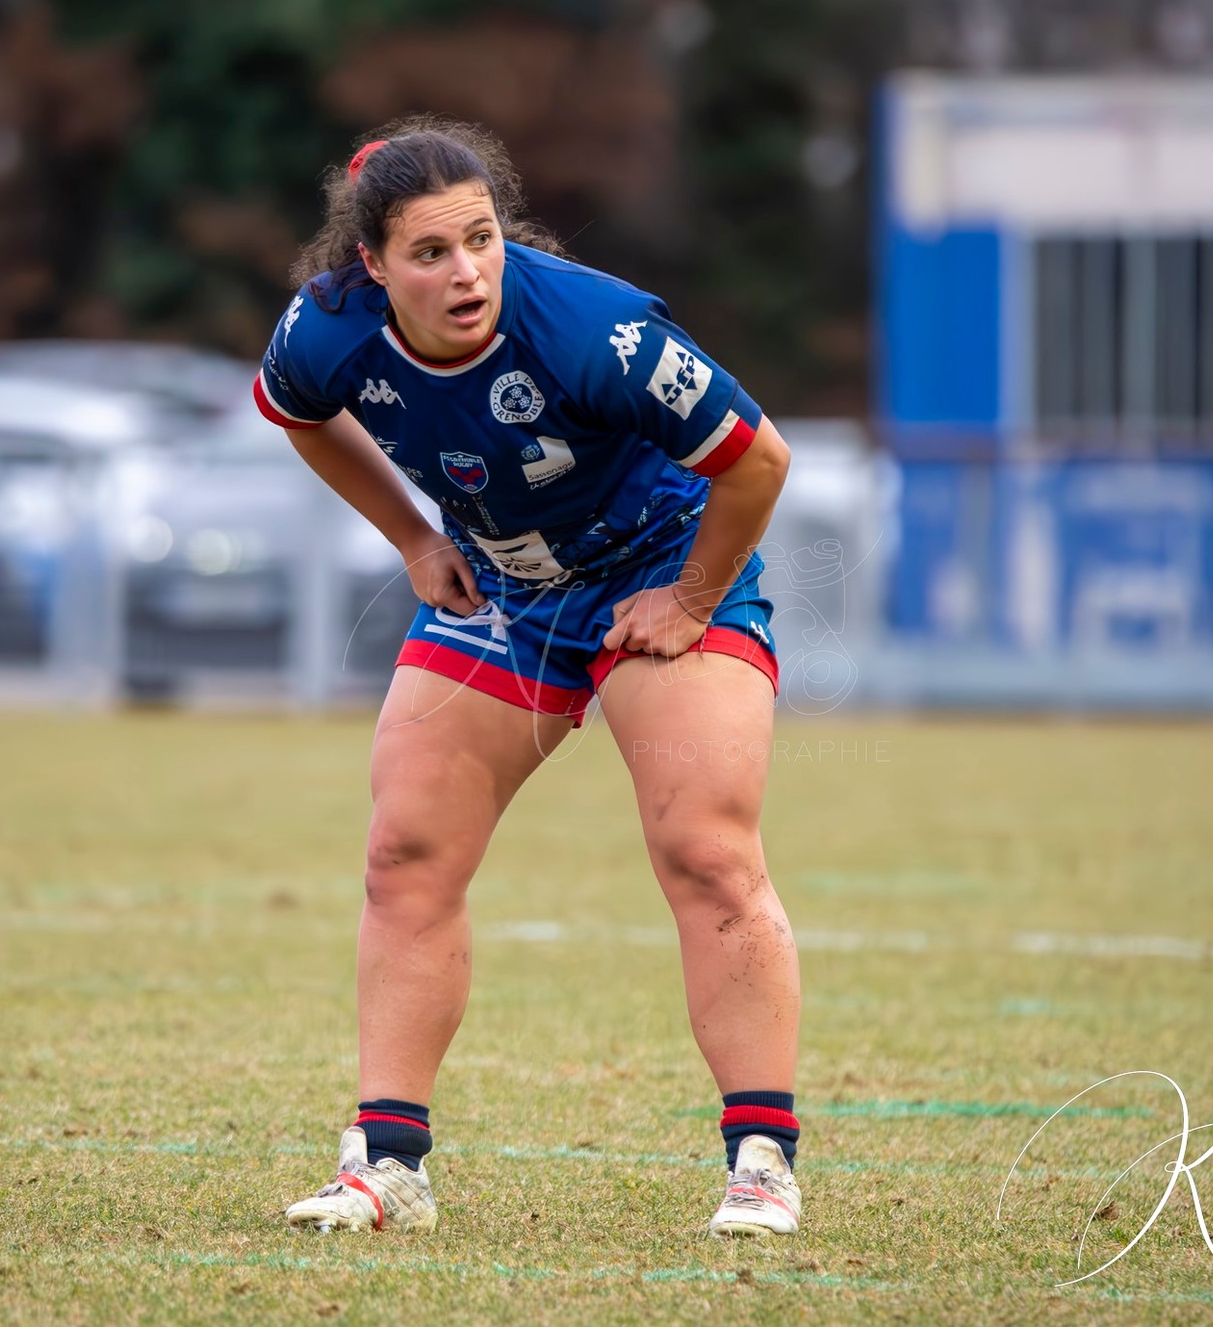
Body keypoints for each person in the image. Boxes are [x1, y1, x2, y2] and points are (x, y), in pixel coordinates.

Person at [257, 117, 804, 1239]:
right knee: (404, 849)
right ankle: (388, 1167)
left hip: (663, 564)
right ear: (372, 265)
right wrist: (415, 542)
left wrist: (691, 600)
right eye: (428, 252)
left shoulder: (593, 329)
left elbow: (759, 459)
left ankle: (760, 1163)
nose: (465, 272)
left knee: (704, 847)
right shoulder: (326, 330)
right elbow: (298, 418)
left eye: (480, 238)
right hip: (509, 591)